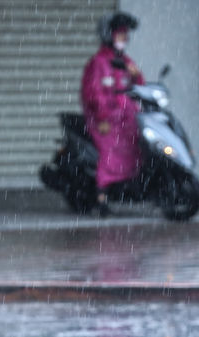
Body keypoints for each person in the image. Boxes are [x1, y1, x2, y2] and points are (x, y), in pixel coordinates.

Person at [81, 12, 145, 216]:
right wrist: (101, 118)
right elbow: (93, 92)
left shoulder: (126, 61)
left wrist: (137, 76)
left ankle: (128, 187)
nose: (124, 40)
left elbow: (139, 87)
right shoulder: (99, 62)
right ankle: (102, 197)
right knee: (110, 152)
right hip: (105, 120)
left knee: (138, 148)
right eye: (120, 36)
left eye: (126, 36)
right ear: (109, 36)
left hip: (127, 118)